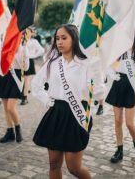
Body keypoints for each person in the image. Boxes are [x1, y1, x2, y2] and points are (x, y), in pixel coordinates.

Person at [31, 24, 104, 179]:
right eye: (57, 38)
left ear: (74, 39)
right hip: (57, 113)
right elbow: (35, 85)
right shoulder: (53, 62)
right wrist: (47, 101)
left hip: (77, 114)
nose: (59, 42)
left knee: (74, 168)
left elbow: (99, 94)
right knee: (54, 163)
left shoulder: (86, 64)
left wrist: (96, 71)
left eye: (64, 38)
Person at [105, 27, 135, 163]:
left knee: (129, 123)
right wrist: (112, 74)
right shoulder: (120, 50)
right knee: (117, 120)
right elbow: (107, 62)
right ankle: (119, 150)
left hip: (131, 86)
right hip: (119, 82)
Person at [0, 44, 29, 143]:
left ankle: (18, 129)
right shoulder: (5, 47)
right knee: (6, 107)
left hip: (16, 78)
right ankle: (10, 132)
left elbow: (26, 67)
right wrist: (0, 72)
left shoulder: (23, 48)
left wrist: (23, 55)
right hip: (5, 76)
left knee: (10, 107)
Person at [22, 29, 45, 105]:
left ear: (31, 33)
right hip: (20, 61)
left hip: (29, 60)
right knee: (22, 79)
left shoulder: (33, 41)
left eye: (29, 32)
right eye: (25, 32)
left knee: (26, 79)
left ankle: (24, 97)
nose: (27, 34)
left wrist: (32, 56)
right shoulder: (20, 41)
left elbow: (41, 50)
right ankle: (24, 92)